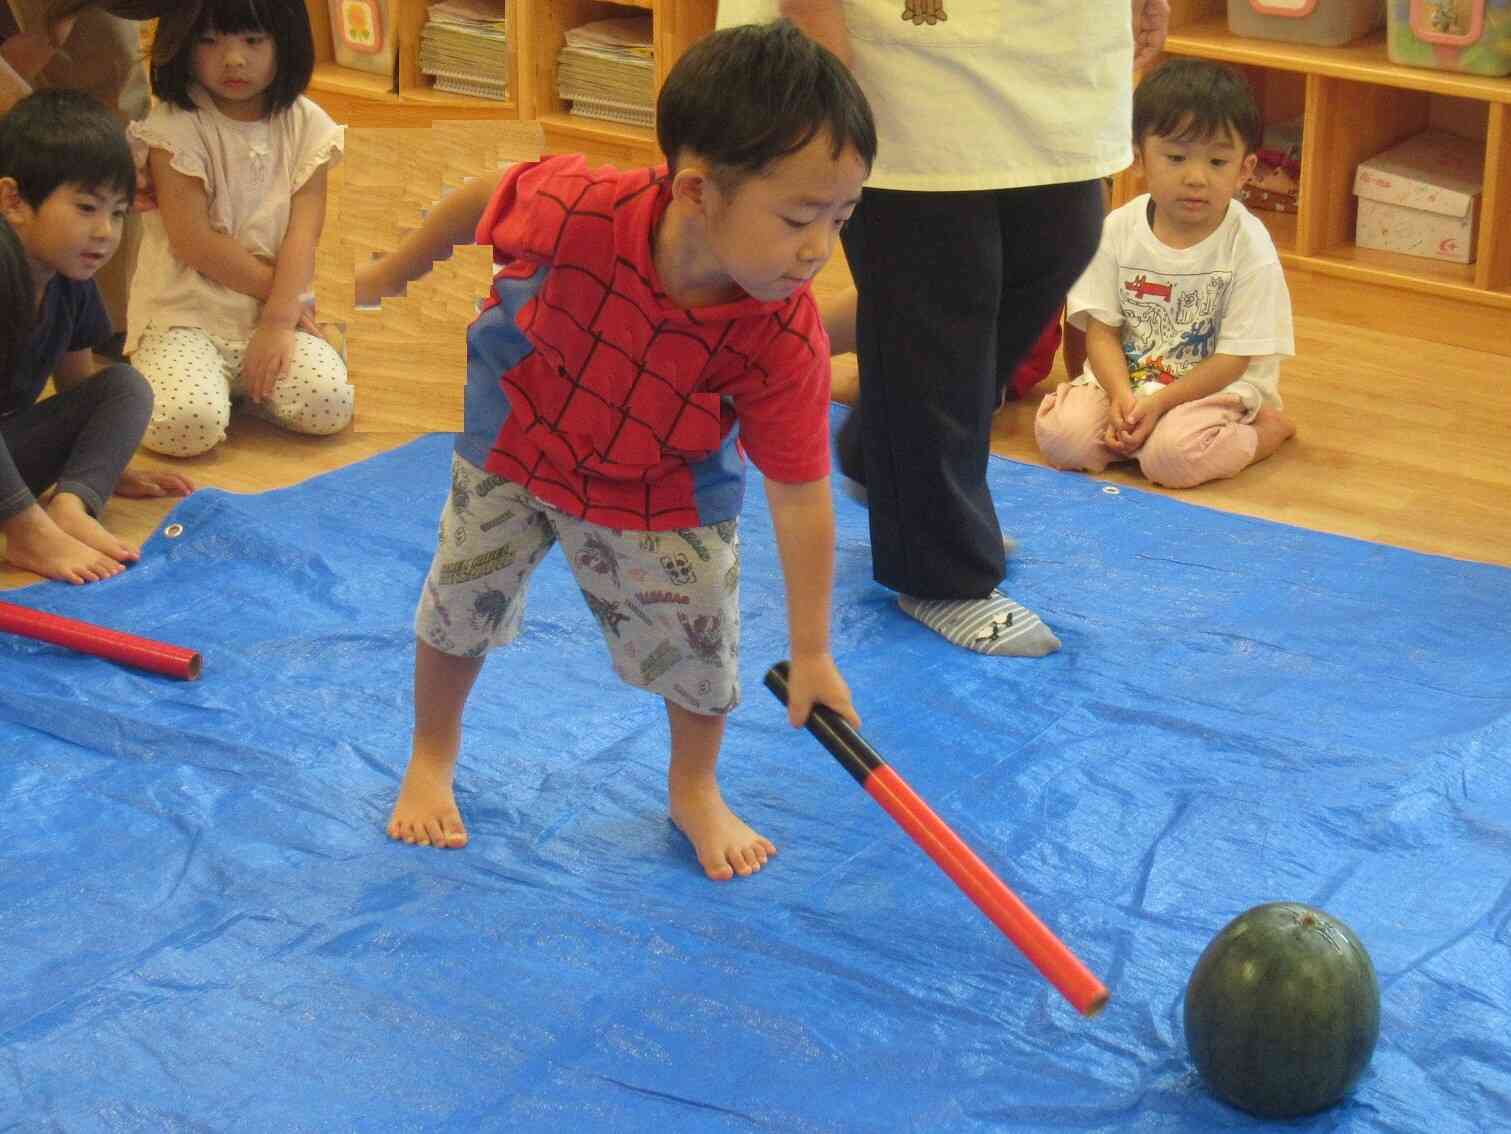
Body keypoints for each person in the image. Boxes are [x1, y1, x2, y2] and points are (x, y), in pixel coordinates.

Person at [358, 21, 869, 880]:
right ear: (698, 192)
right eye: (797, 217)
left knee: (701, 644)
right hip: (522, 435)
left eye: (841, 216)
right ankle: (431, 754)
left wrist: (813, 651)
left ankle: (692, 787)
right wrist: (394, 271)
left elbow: (799, 492)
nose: (820, 248)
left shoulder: (783, 335)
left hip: (663, 481)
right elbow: (479, 199)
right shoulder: (576, 209)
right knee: (458, 602)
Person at [716, 0, 1169, 657]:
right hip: (901, 58)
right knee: (936, 306)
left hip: (1057, 44)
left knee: (1060, 237)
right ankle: (939, 574)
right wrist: (824, 52)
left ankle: (889, 456)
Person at [1034, 59, 1296, 488]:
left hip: (1210, 390)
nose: (1196, 177)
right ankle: (1139, 431)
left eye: (1216, 162)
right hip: (1128, 381)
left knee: (1171, 459)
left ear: (1245, 170)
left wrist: (1160, 404)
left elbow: (1235, 358)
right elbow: (1101, 332)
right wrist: (1122, 396)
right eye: (1176, 157)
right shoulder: (1118, 228)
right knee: (1064, 440)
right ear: (1138, 158)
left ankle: (1266, 431)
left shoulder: (1249, 245)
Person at [125, 0, 352, 458]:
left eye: (253, 40)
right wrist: (284, 303)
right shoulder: (173, 125)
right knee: (187, 426)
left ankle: (245, 388)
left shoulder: (307, 123)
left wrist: (278, 322)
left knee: (330, 405)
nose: (233, 59)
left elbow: (303, 234)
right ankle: (201, 381)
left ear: (285, 42)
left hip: (269, 313)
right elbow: (195, 243)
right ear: (182, 46)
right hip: (183, 315)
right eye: (210, 41)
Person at [0, 89, 188, 585]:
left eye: (119, 212)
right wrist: (23, 522)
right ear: (13, 201)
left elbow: (82, 390)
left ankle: (71, 507)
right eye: (86, 208)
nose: (105, 231)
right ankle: (28, 531)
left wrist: (100, 467)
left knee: (124, 386)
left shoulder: (69, 278)